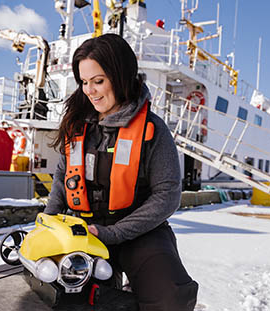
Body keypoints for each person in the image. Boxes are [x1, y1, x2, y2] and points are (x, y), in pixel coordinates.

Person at [46, 33, 198, 310]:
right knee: (61, 298)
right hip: (84, 230)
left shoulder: (153, 130)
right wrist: (46, 223)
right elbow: (61, 180)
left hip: (140, 232)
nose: (90, 91)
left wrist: (115, 233)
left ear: (121, 76)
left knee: (171, 298)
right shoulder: (77, 127)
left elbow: (167, 195)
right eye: (84, 83)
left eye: (99, 81)